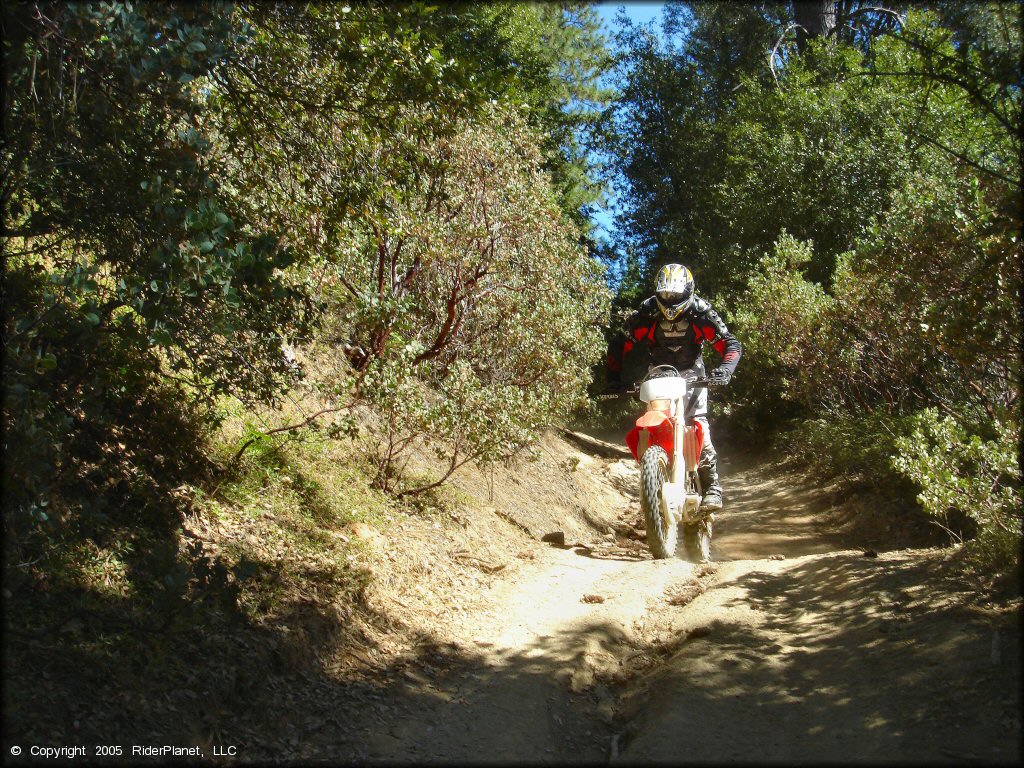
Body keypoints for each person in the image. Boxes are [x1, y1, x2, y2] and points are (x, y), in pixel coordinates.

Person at [606, 264, 741, 510]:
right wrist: (613, 378)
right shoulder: (646, 313)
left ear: (687, 292)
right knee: (654, 420)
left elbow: (730, 344)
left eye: (675, 296)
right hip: (658, 372)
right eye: (666, 295)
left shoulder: (701, 313)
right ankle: (655, 472)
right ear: (657, 292)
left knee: (698, 423)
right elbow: (619, 344)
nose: (670, 301)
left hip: (693, 372)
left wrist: (724, 371)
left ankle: (712, 487)